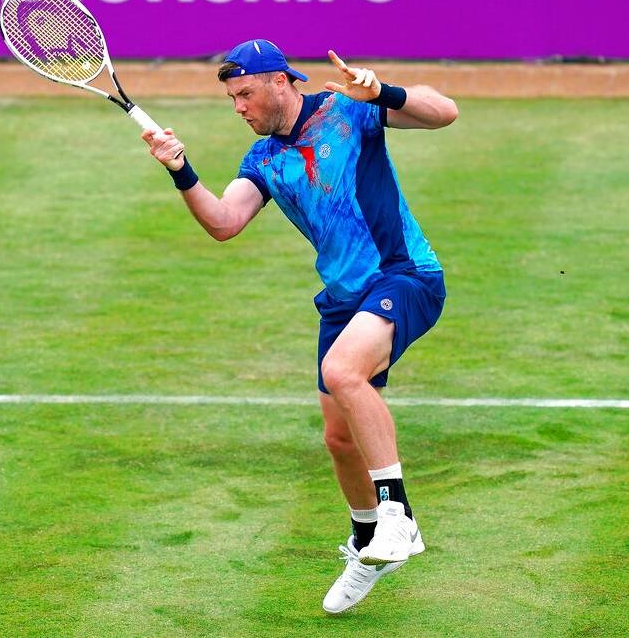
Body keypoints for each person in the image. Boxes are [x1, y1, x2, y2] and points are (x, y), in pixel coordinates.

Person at [141, 39, 458, 614]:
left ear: (281, 82)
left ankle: (397, 514)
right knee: (339, 439)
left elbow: (444, 112)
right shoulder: (263, 159)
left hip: (402, 274)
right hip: (342, 299)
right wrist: (180, 169)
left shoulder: (348, 110)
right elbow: (224, 222)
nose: (238, 107)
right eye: (232, 98)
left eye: (245, 94)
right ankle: (367, 540)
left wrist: (382, 91)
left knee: (343, 371)